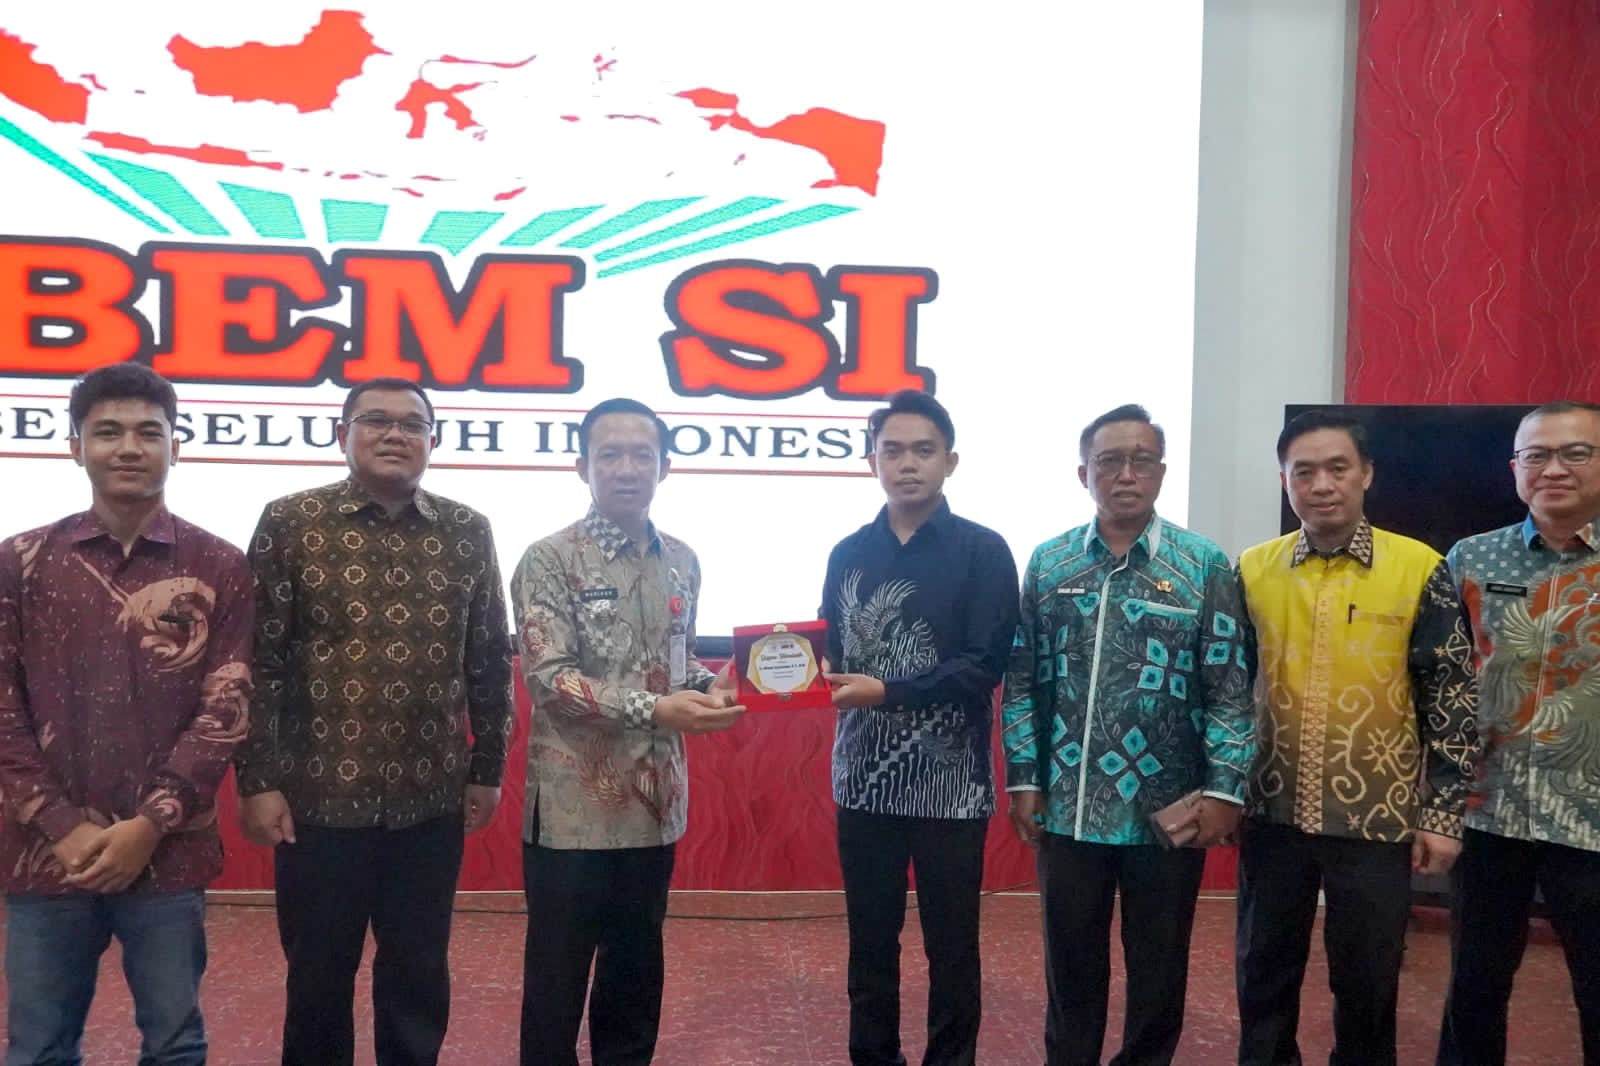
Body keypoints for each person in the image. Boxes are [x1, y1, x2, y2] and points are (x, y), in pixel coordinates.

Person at [234, 377, 513, 1066]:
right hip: (318, 800)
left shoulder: (467, 530)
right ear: (343, 435)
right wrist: (257, 779)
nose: (395, 434)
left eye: (413, 424)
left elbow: (487, 659)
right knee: (317, 976)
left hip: (430, 799)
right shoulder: (291, 522)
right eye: (376, 420)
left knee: (418, 975)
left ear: (432, 441)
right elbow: (256, 661)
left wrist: (488, 768)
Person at [0, 363, 252, 1065]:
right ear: (75, 447)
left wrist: (149, 825)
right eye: (108, 432)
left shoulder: (221, 565)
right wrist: (61, 824)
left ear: (177, 446)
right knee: (39, 1048)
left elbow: (226, 706)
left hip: (166, 852)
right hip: (46, 854)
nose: (129, 448)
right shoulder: (19, 562)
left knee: (174, 1044)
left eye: (149, 432)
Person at [1001, 403, 1256, 1066]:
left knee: (1160, 966)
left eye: (1141, 460)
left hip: (1167, 808)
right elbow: (1023, 681)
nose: (1125, 474)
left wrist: (1225, 789)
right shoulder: (1050, 563)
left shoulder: (1204, 565)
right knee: (1070, 965)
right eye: (1109, 461)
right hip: (1069, 805)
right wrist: (1024, 778)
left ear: (1161, 472)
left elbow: (1230, 689)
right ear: (1083, 473)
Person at [1234, 409, 1479, 1066]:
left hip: (1376, 818)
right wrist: (1223, 791)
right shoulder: (1252, 570)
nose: (1322, 485)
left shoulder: (1419, 567)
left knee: (1368, 984)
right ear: (1285, 481)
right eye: (1304, 471)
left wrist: (1443, 813)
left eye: (1337, 468)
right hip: (1272, 812)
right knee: (1262, 976)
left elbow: (1452, 694)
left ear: (1366, 474)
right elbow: (1227, 693)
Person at [512, 397, 744, 1066]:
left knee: (635, 975)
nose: (626, 468)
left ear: (664, 467)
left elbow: (676, 662)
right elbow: (550, 679)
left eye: (642, 455)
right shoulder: (549, 559)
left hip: (654, 807)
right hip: (572, 814)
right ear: (581, 466)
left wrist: (711, 686)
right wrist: (658, 710)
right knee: (556, 981)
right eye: (609, 454)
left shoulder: (681, 560)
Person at [818, 389, 1019, 1066]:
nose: (908, 464)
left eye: (924, 450)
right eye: (893, 450)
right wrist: (802, 670)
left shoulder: (984, 551)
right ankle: (872, 1056)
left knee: (952, 945)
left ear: (950, 461)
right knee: (870, 941)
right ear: (872, 461)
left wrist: (887, 690)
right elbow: (832, 649)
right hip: (863, 781)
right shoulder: (848, 552)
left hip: (950, 786)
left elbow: (984, 666)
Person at [1437, 400, 1600, 1066]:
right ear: (1515, 469)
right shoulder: (1471, 558)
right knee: (1474, 988)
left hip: (1593, 823)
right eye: (1537, 455)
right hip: (1489, 814)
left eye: (1575, 453)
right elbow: (1439, 682)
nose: (1554, 469)